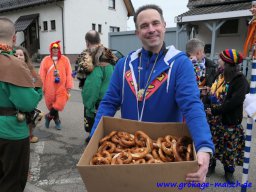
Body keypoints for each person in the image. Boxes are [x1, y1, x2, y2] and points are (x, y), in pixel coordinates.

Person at [89, 4, 214, 182]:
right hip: (129, 152)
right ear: (137, 33)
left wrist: (203, 146)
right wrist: (94, 138)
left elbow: (192, 105)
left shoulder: (180, 63)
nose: (151, 29)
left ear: (164, 25)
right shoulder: (124, 64)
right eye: (144, 26)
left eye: (155, 23)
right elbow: (108, 103)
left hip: (166, 154)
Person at [0, 18, 41, 192]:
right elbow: (28, 102)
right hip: (10, 134)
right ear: (15, 38)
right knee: (12, 182)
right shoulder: (12, 64)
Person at [206, 49, 249, 183]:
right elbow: (210, 90)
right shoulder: (219, 74)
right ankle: (211, 166)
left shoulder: (240, 80)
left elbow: (234, 102)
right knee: (212, 144)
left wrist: (215, 110)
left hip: (228, 121)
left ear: (228, 63)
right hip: (213, 120)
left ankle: (229, 172)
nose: (218, 61)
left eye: (221, 59)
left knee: (229, 149)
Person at [80, 30, 117, 143]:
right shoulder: (109, 56)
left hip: (97, 103)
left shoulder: (94, 59)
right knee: (104, 128)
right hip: (109, 100)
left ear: (87, 42)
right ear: (99, 41)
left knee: (94, 130)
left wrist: (89, 106)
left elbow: (92, 87)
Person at [39, 41, 73, 130]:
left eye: (57, 48)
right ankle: (57, 121)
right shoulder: (45, 60)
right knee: (51, 105)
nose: (55, 49)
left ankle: (48, 116)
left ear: (59, 49)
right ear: (50, 49)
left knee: (59, 104)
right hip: (49, 87)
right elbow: (42, 74)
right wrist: (41, 86)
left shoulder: (65, 59)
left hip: (61, 87)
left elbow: (69, 73)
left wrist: (69, 85)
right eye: (53, 48)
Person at [15, 46, 43, 143]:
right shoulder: (11, 70)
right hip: (16, 102)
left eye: (21, 55)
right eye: (16, 55)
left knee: (32, 119)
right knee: (20, 120)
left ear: (25, 57)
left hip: (29, 101)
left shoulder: (30, 70)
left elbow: (38, 84)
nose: (18, 57)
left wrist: (36, 97)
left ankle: (30, 136)